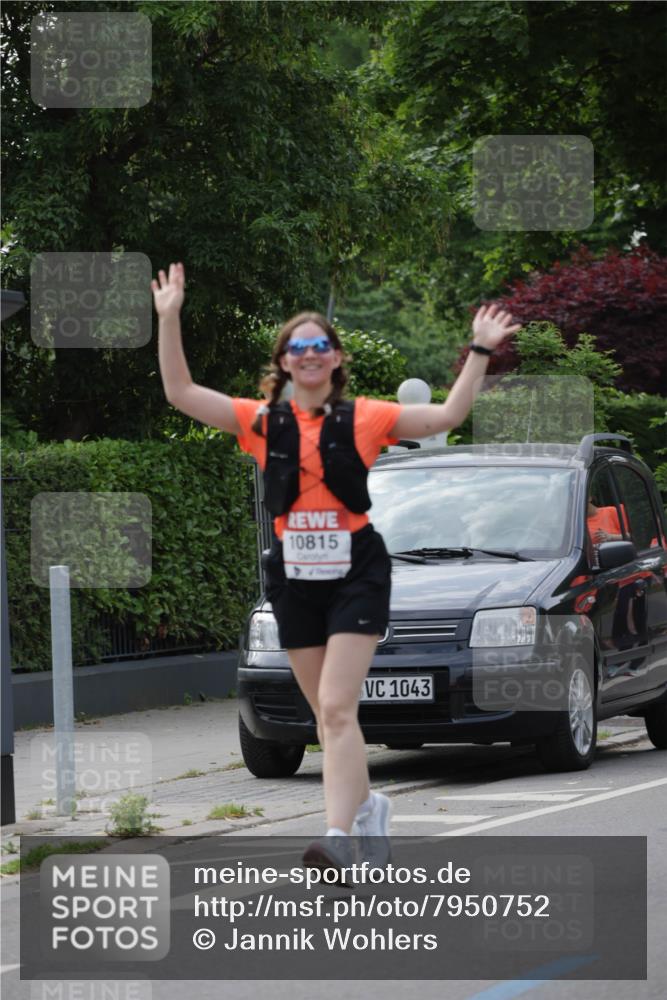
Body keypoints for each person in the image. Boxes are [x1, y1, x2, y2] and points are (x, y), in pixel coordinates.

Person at [152, 262, 521, 875]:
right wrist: (169, 318)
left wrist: (480, 350)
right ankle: (369, 807)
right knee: (326, 713)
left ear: (336, 358)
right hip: (293, 581)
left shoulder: (368, 417)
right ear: (284, 362)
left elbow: (448, 417)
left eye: (320, 345)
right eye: (299, 347)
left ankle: (336, 835)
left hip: (356, 573)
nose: (310, 354)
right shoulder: (260, 421)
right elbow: (181, 394)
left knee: (337, 705)